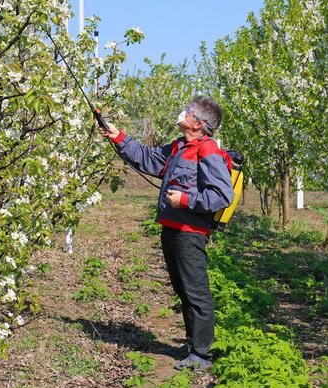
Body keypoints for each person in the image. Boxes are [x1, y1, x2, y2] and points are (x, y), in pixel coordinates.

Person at [99, 95, 235, 370]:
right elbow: (150, 159)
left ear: (197, 123)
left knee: (195, 291)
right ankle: (193, 345)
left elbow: (222, 195)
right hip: (172, 228)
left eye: (188, 111)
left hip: (189, 232)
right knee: (183, 289)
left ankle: (202, 354)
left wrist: (184, 200)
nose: (182, 113)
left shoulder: (206, 150)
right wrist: (118, 137)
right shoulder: (180, 147)